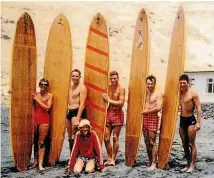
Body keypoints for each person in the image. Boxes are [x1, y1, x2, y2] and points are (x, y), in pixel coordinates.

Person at [179, 74, 201, 173]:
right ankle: (188, 164)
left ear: (188, 82)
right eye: (181, 83)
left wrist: (198, 122)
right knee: (184, 143)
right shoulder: (179, 93)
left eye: (184, 82)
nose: (182, 84)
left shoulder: (193, 94)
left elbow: (199, 108)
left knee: (192, 144)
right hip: (182, 119)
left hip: (191, 120)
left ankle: (192, 165)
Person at [102, 71, 125, 166]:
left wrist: (109, 100)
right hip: (109, 112)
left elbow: (121, 103)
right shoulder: (108, 87)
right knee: (106, 138)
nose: (113, 80)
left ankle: (113, 159)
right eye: (111, 78)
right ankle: (109, 157)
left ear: (118, 78)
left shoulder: (121, 88)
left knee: (115, 137)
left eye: (114, 78)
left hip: (118, 113)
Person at [30, 78, 53, 170]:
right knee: (35, 141)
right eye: (42, 84)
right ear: (39, 85)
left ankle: (40, 164)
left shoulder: (50, 96)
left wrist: (36, 99)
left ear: (47, 86)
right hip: (35, 120)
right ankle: (35, 161)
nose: (43, 86)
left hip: (44, 121)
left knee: (41, 142)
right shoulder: (35, 94)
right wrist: (10, 91)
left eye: (45, 85)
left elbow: (47, 108)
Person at [141, 75, 163, 170]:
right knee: (146, 141)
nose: (150, 86)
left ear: (155, 83)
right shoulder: (144, 93)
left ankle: (154, 162)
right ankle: (150, 160)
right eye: (148, 84)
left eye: (151, 84)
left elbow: (158, 107)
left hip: (153, 117)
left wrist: (147, 111)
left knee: (152, 141)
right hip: (144, 117)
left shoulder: (158, 93)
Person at [66, 69, 87, 153]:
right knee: (70, 136)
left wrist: (78, 118)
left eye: (77, 76)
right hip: (69, 112)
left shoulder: (82, 88)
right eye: (73, 76)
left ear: (80, 77)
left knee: (75, 135)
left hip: (77, 112)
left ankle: (78, 156)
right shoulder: (70, 88)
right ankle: (72, 157)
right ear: (71, 77)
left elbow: (82, 104)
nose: (75, 78)